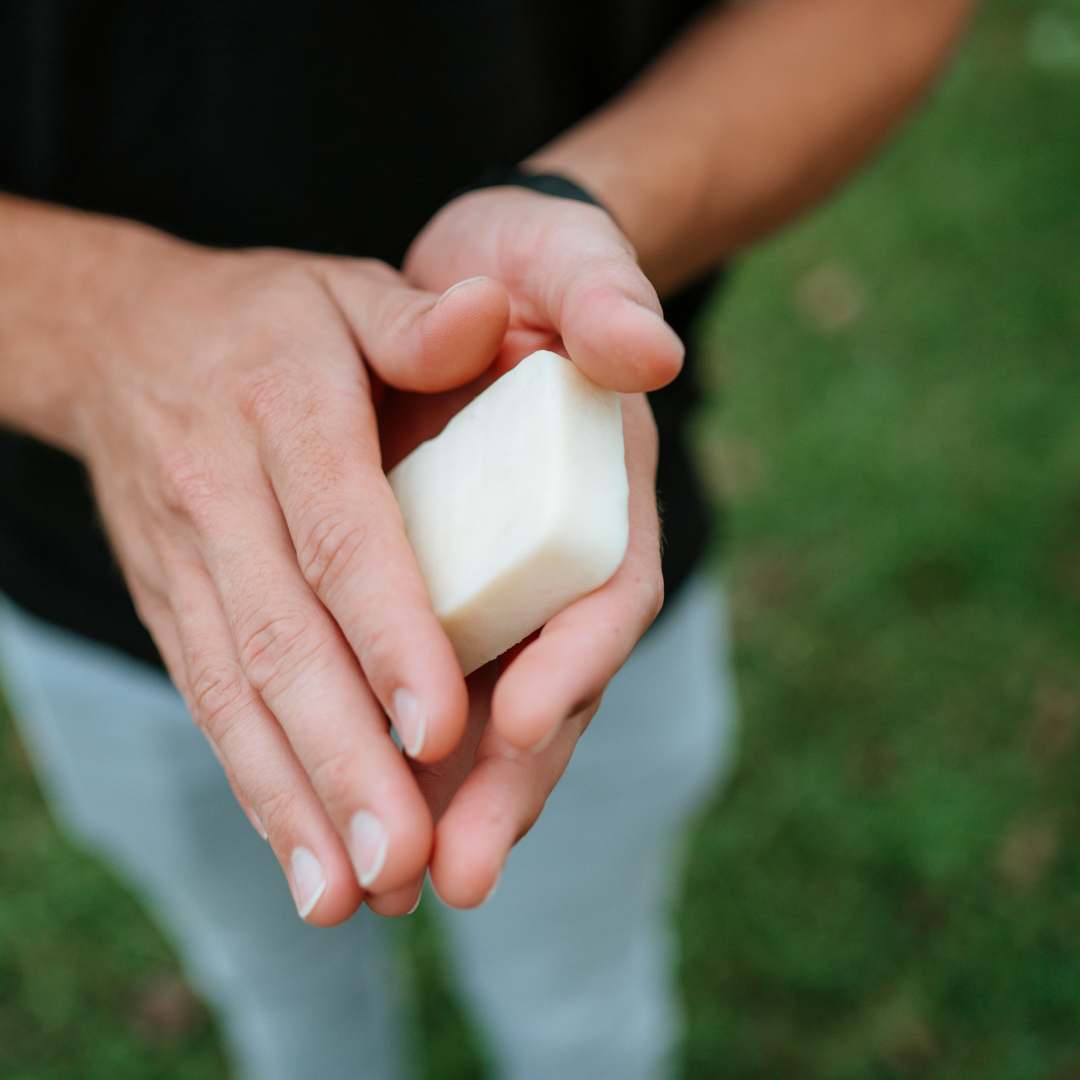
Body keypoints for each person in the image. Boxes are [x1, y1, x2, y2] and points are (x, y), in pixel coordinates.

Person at [0, 3, 974, 1077]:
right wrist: (98, 330)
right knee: (281, 1002)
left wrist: (587, 204)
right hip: (90, 575)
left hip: (579, 597)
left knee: (582, 1010)